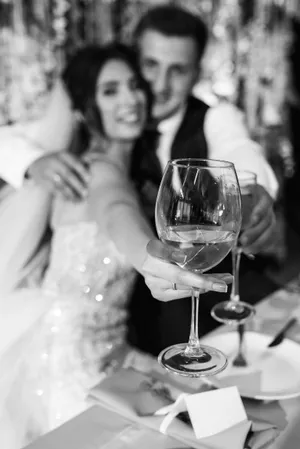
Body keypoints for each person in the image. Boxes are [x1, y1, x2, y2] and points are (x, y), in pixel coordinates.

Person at [0, 6, 278, 352]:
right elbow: (116, 210)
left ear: (197, 73)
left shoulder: (212, 118)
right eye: (150, 67)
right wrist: (31, 161)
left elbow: (240, 149)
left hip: (214, 313)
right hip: (126, 332)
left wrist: (252, 194)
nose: (158, 86)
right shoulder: (96, 162)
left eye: (177, 70)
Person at [0, 43, 232, 449]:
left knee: (217, 408)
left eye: (133, 85)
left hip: (115, 350)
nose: (130, 99)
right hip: (66, 364)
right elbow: (116, 211)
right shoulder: (97, 171)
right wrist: (149, 258)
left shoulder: (136, 171)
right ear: (82, 109)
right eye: (110, 91)